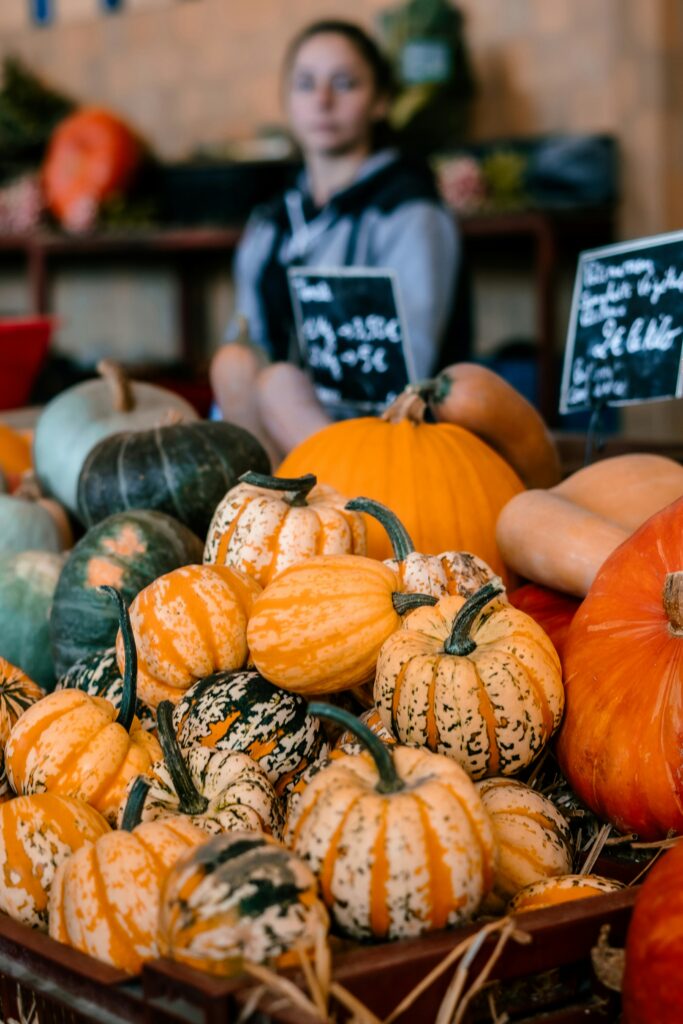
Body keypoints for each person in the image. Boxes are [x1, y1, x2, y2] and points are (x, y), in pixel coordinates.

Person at [210, 18, 461, 457]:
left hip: (392, 444)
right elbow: (246, 340)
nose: (322, 101)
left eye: (344, 84)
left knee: (278, 388)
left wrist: (289, 397)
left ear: (381, 101)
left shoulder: (409, 212)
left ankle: (346, 496)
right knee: (236, 364)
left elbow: (411, 371)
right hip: (281, 436)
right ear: (287, 100)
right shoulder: (270, 223)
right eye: (306, 84)